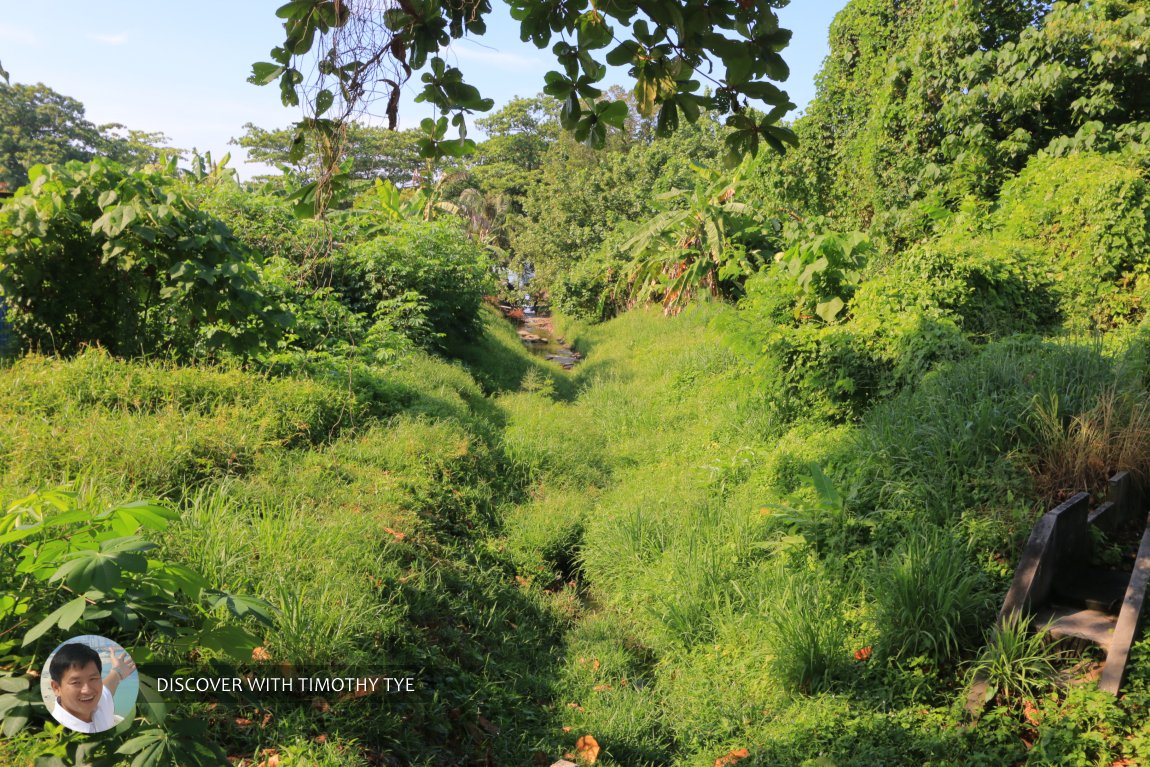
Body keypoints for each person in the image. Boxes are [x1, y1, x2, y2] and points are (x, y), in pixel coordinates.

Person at [48, 642, 135, 733]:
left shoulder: (100, 702)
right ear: (56, 688)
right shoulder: (59, 731)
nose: (87, 690)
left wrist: (118, 672)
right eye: (76, 682)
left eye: (93, 679)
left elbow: (108, 687)